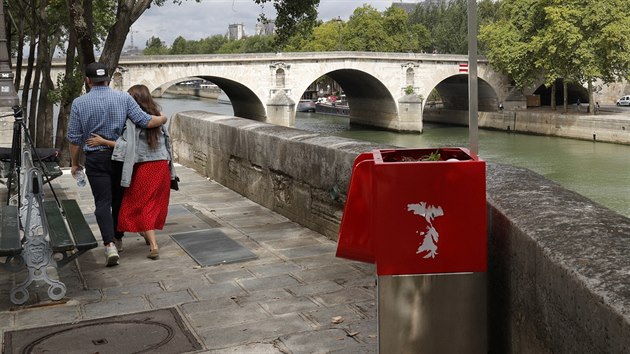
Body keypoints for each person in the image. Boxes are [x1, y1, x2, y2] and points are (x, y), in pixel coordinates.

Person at [67, 63, 168, 267]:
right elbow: (145, 121)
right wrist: (163, 118)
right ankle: (119, 238)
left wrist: (75, 164)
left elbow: (74, 139)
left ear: (88, 81)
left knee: (102, 203)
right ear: (109, 79)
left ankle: (109, 245)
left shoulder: (79, 103)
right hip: (121, 157)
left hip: (96, 159)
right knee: (120, 199)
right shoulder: (123, 98)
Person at [87, 84, 176, 260]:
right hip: (162, 167)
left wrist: (103, 141)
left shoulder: (133, 121)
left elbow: (127, 147)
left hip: (145, 168)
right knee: (151, 203)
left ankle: (153, 245)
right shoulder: (158, 117)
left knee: (140, 204)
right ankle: (144, 233)